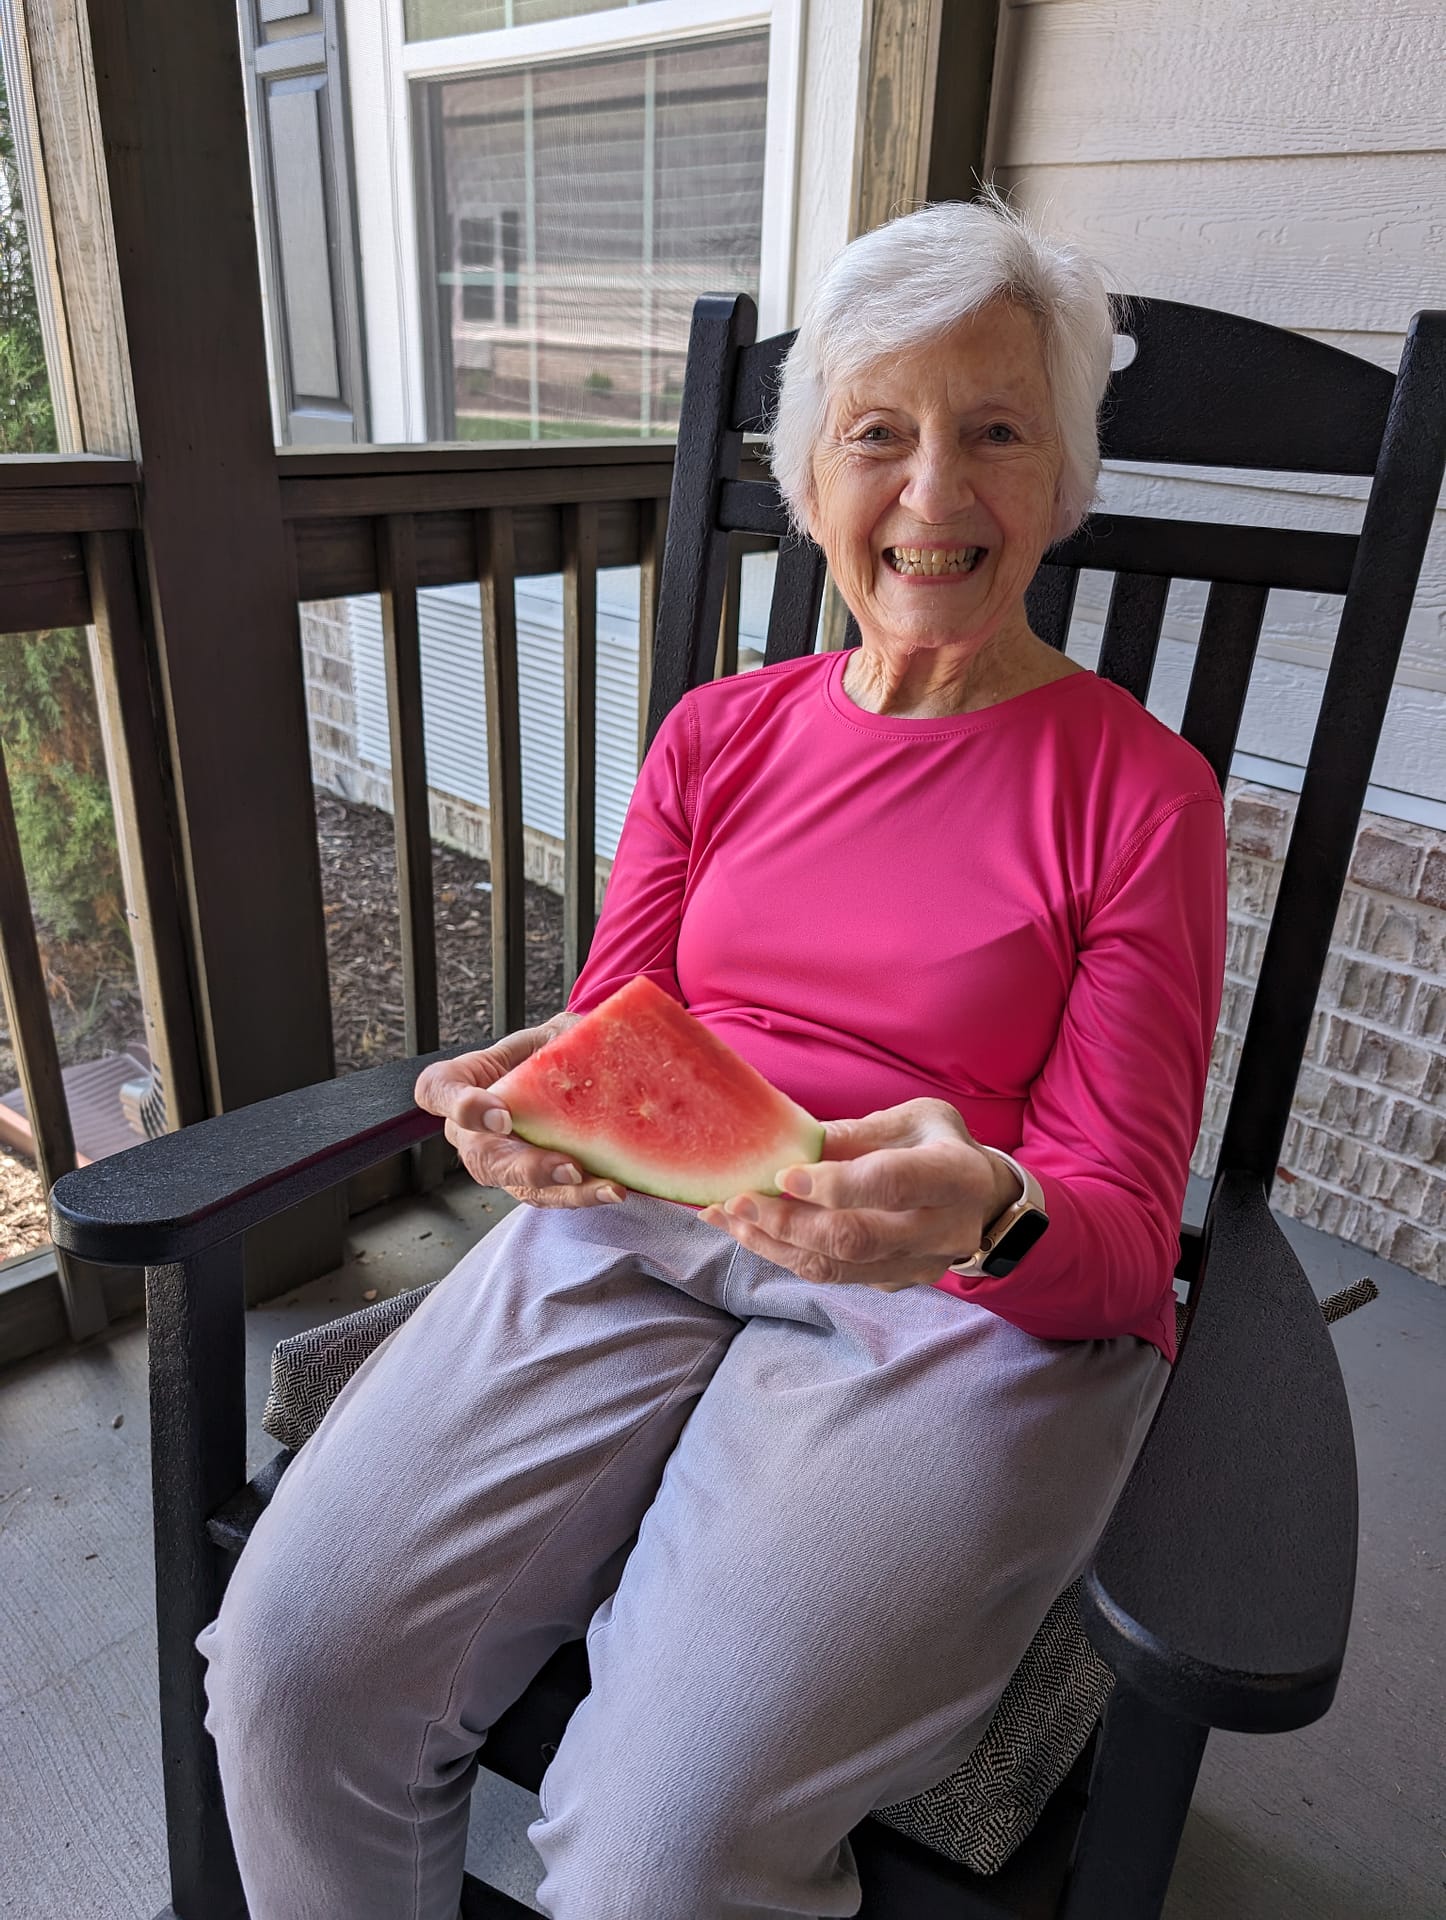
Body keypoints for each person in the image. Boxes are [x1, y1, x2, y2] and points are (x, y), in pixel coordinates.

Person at [197, 196, 1227, 1920]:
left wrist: (980, 1215)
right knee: (288, 1677)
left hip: (955, 1312)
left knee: (662, 1855)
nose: (930, 495)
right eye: (875, 433)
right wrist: (534, 1127)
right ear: (806, 471)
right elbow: (623, 1036)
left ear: (1062, 480)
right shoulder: (715, 738)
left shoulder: (1140, 795)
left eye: (993, 433)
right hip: (629, 1244)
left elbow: (1120, 1237)